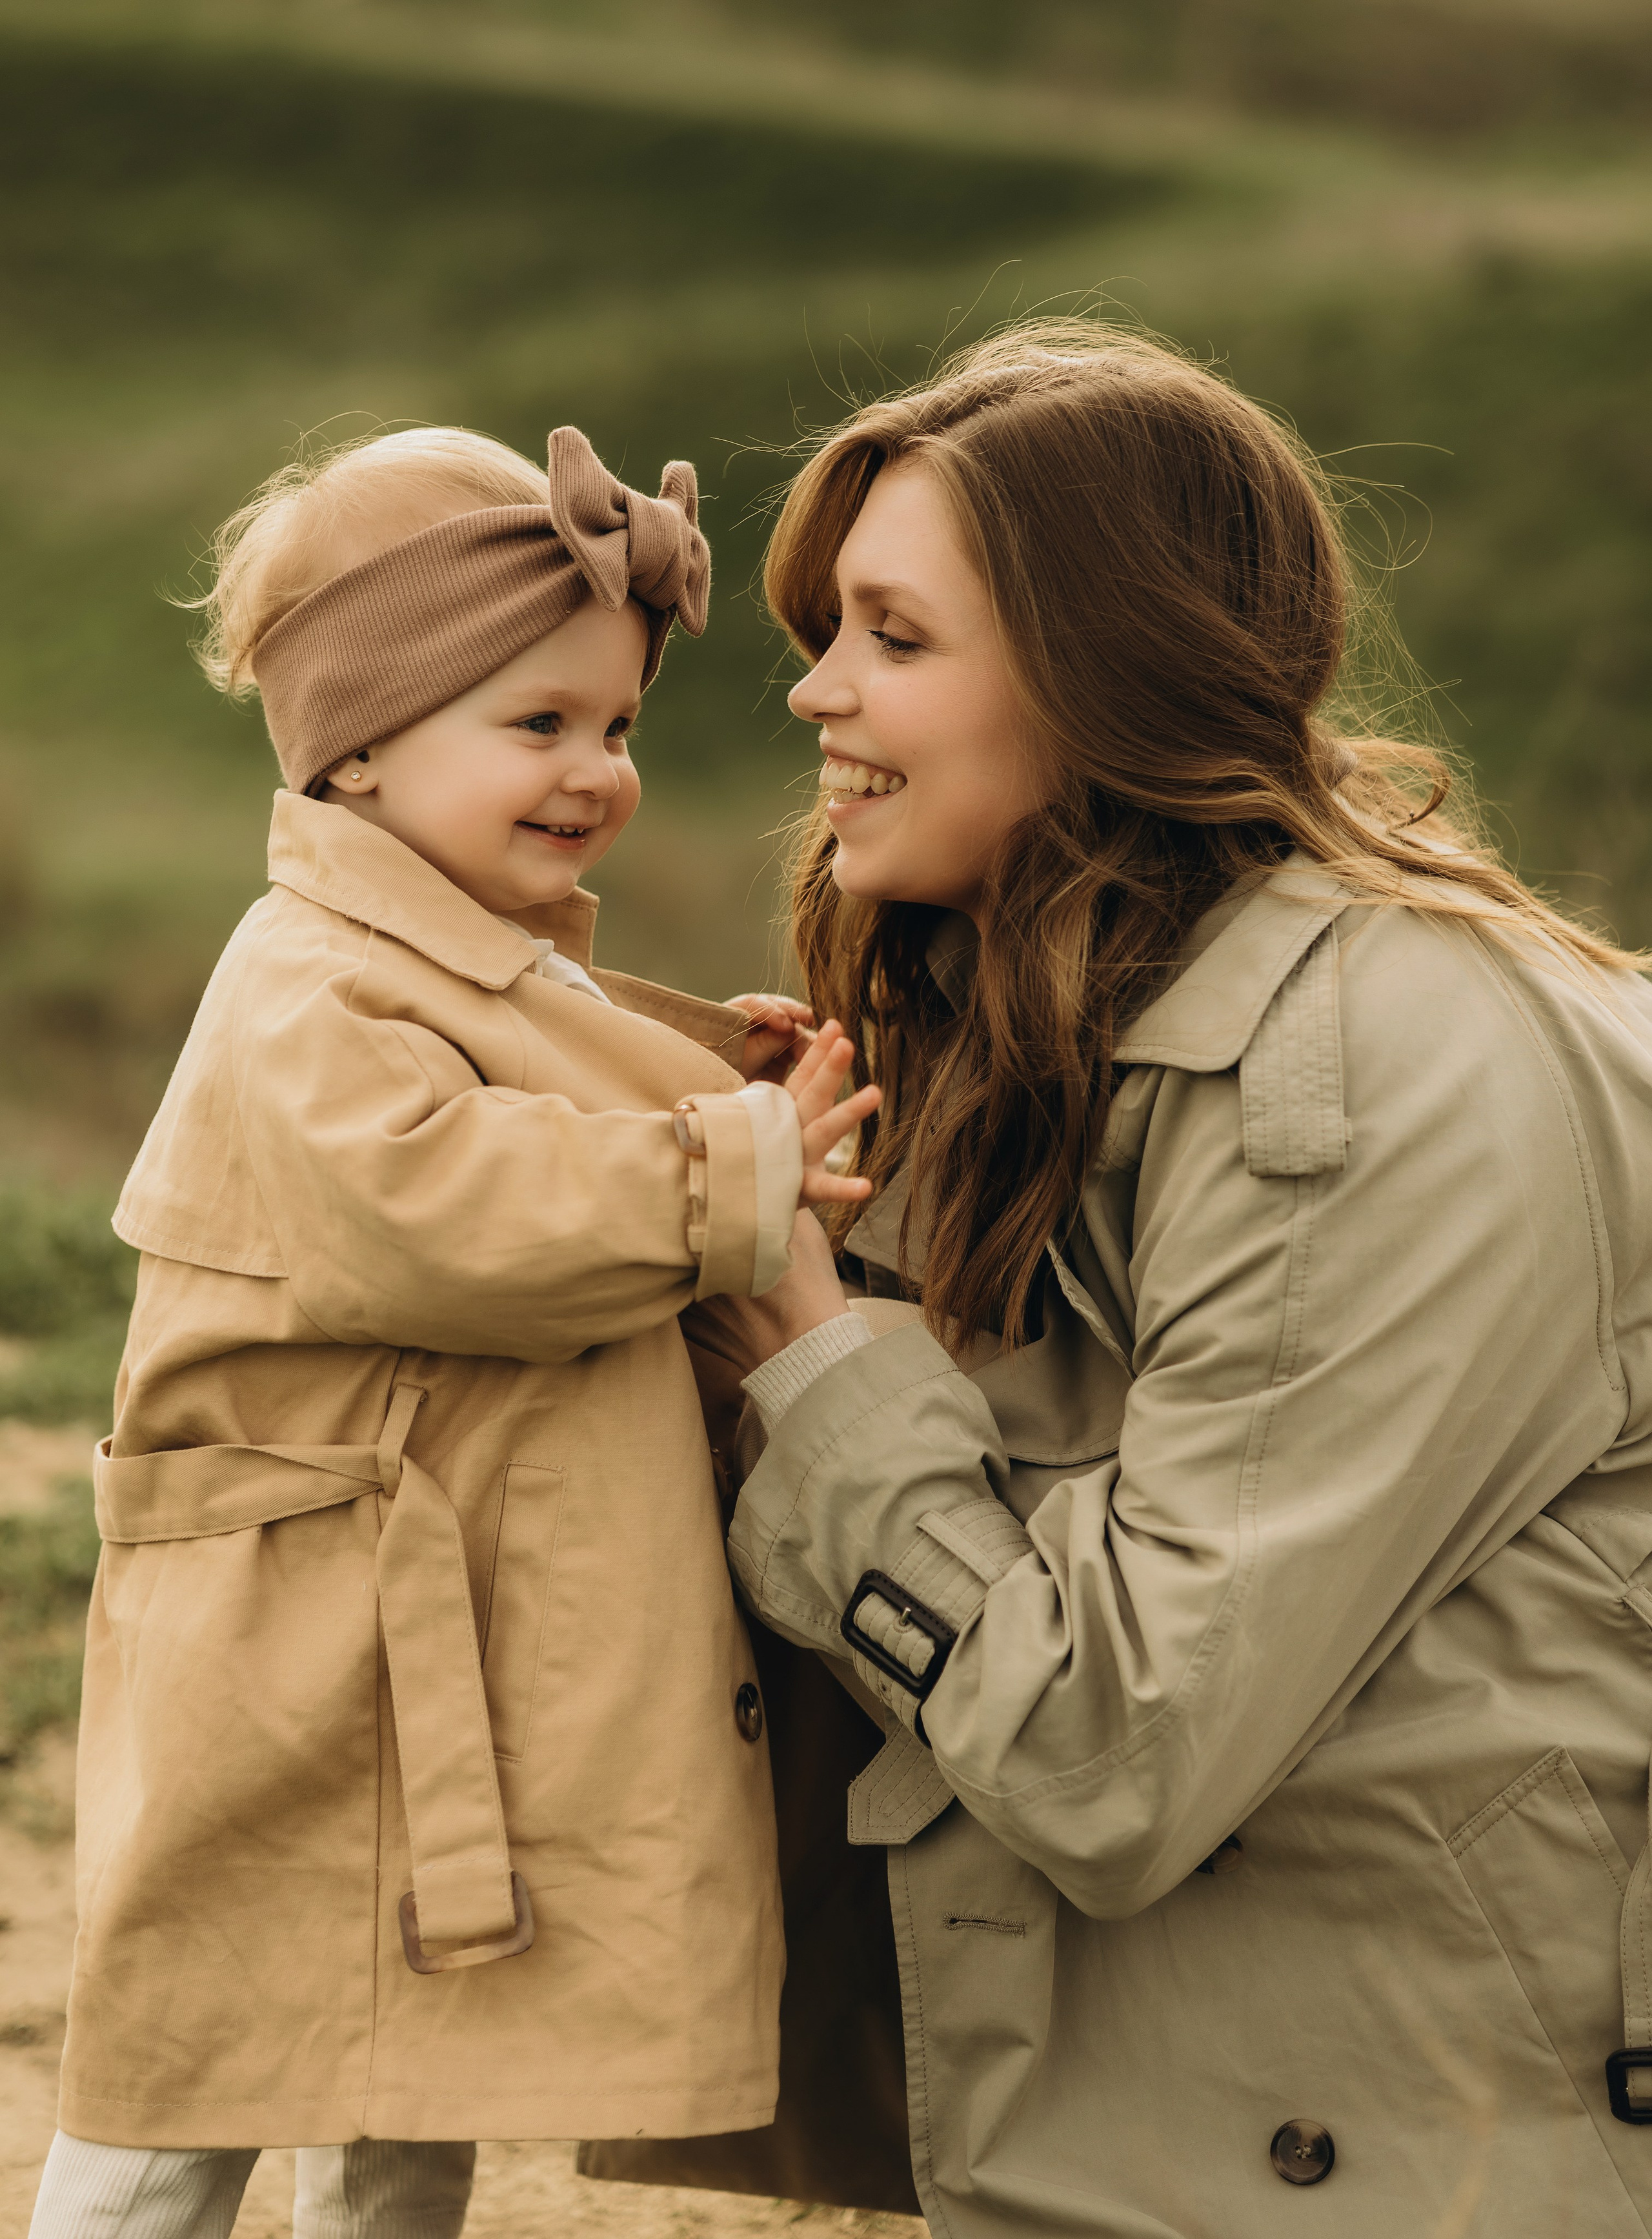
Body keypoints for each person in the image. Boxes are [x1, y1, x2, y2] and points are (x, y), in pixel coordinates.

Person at [681, 321, 1652, 2236]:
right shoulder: (1115, 1010)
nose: (815, 695)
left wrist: (810, 1349)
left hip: (1407, 2168)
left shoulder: (1371, 1077)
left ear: (1100, 668)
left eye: (894, 635)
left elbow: (1116, 1750)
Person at [28, 423, 879, 2239]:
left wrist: (737, 1105)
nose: (593, 774)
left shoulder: (454, 948)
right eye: (535, 725)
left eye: (618, 727)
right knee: (200, 2043)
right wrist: (728, 1169)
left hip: (411, 1636)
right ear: (357, 743)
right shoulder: (302, 983)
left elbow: (549, 1084)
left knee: (416, 2066)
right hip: (302, 1633)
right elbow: (442, 1208)